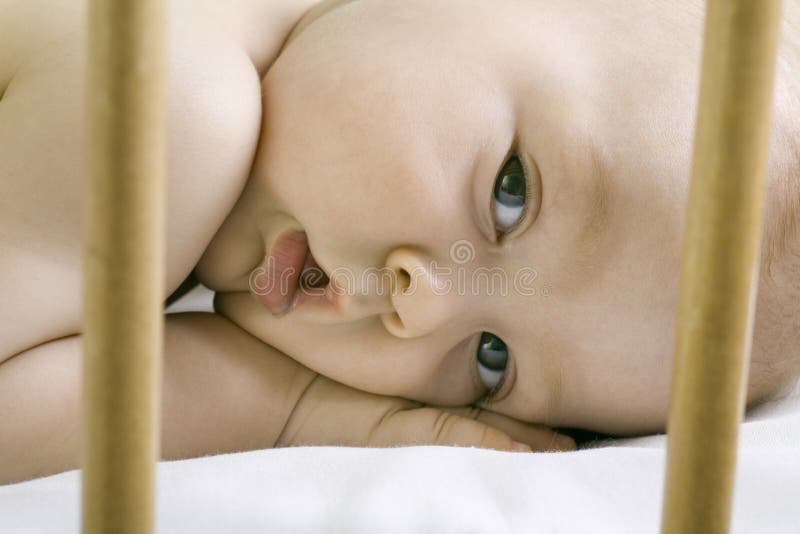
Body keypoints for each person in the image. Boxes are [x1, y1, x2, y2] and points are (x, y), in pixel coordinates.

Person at [0, 0, 797, 484]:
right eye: (510, 194)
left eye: (492, 360)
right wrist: (289, 408)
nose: (420, 306)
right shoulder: (180, 105)